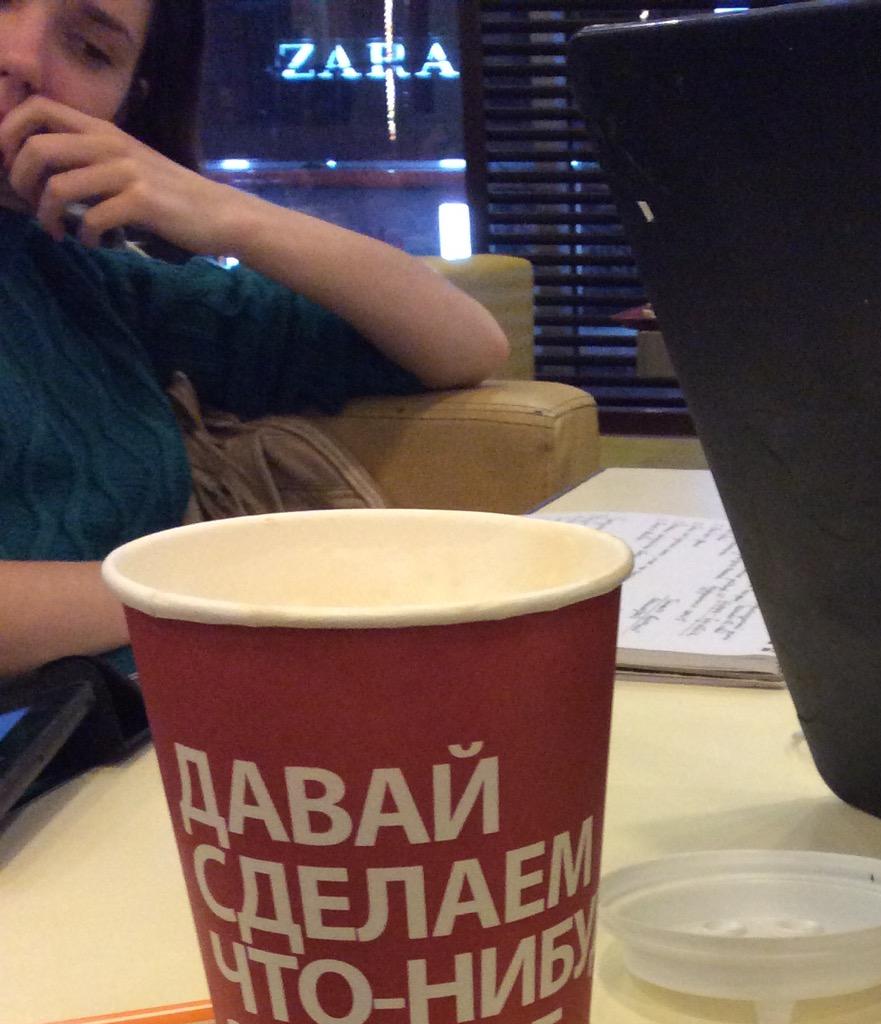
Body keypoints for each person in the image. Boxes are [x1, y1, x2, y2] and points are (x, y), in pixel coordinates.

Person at [0, 0, 510, 678]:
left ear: (121, 109)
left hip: (193, 705)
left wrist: (222, 211)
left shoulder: (89, 285)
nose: (22, 58)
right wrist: (242, 589)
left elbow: (464, 343)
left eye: (91, 50)